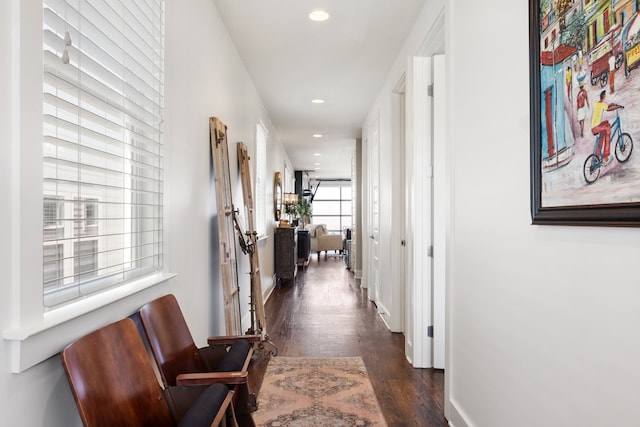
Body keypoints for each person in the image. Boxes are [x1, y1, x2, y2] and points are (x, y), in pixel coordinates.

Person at [591, 90, 620, 166]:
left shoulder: (598, 103)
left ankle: (597, 156)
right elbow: (608, 109)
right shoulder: (602, 104)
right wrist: (617, 107)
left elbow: (607, 106)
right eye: (605, 96)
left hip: (594, 127)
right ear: (603, 97)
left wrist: (612, 104)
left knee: (607, 123)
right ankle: (606, 157)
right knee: (608, 128)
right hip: (596, 128)